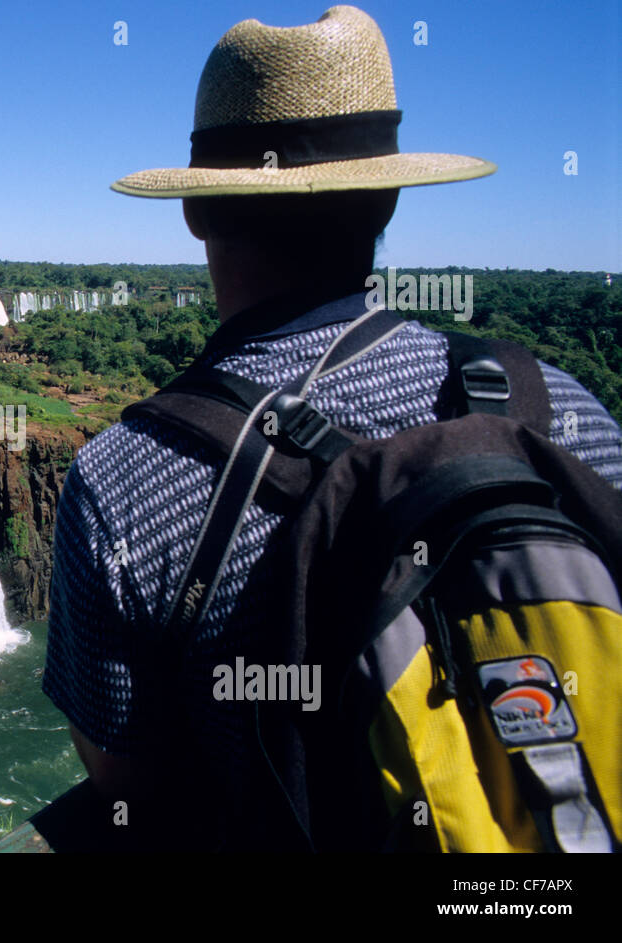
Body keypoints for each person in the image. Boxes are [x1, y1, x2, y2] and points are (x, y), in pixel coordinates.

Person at [41, 4, 622, 848]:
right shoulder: (568, 413)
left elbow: (125, 777)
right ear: (389, 196)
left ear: (196, 212)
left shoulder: (127, 479)